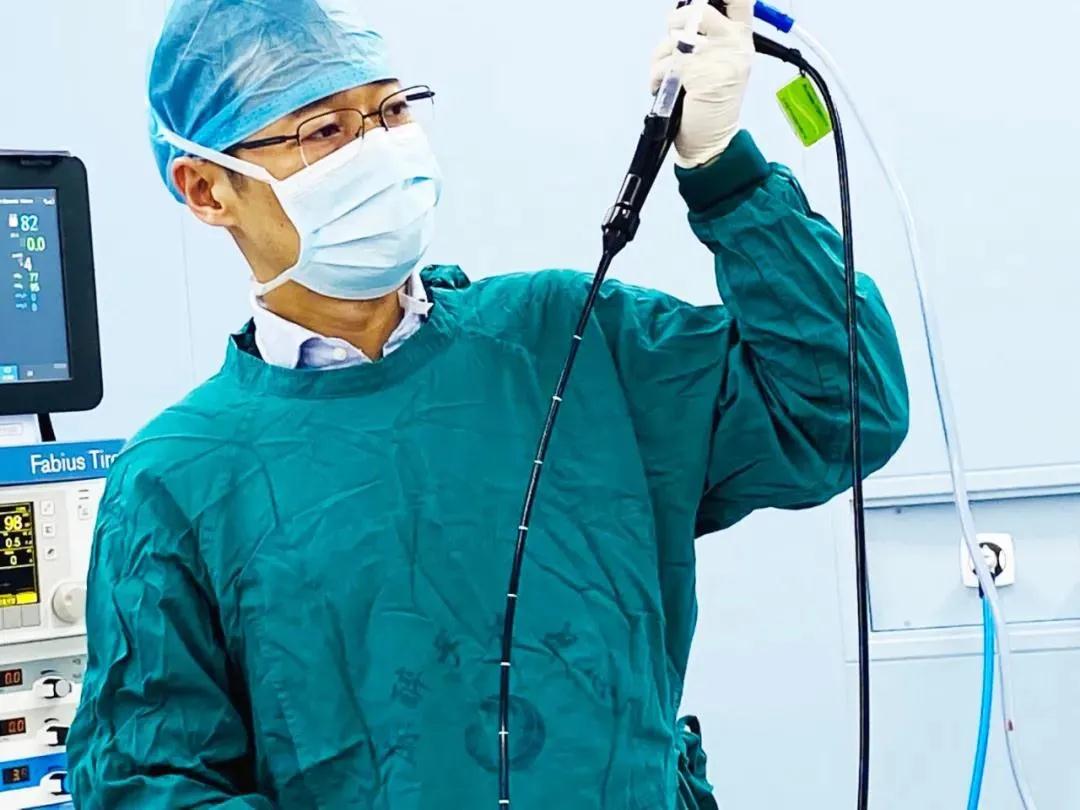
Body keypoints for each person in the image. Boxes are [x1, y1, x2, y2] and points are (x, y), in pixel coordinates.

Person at [66, 0, 910, 808]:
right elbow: (150, 781)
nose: (378, 148)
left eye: (392, 109)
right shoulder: (177, 482)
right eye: (325, 130)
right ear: (207, 190)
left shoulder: (567, 340)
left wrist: (723, 170)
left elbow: (842, 407)